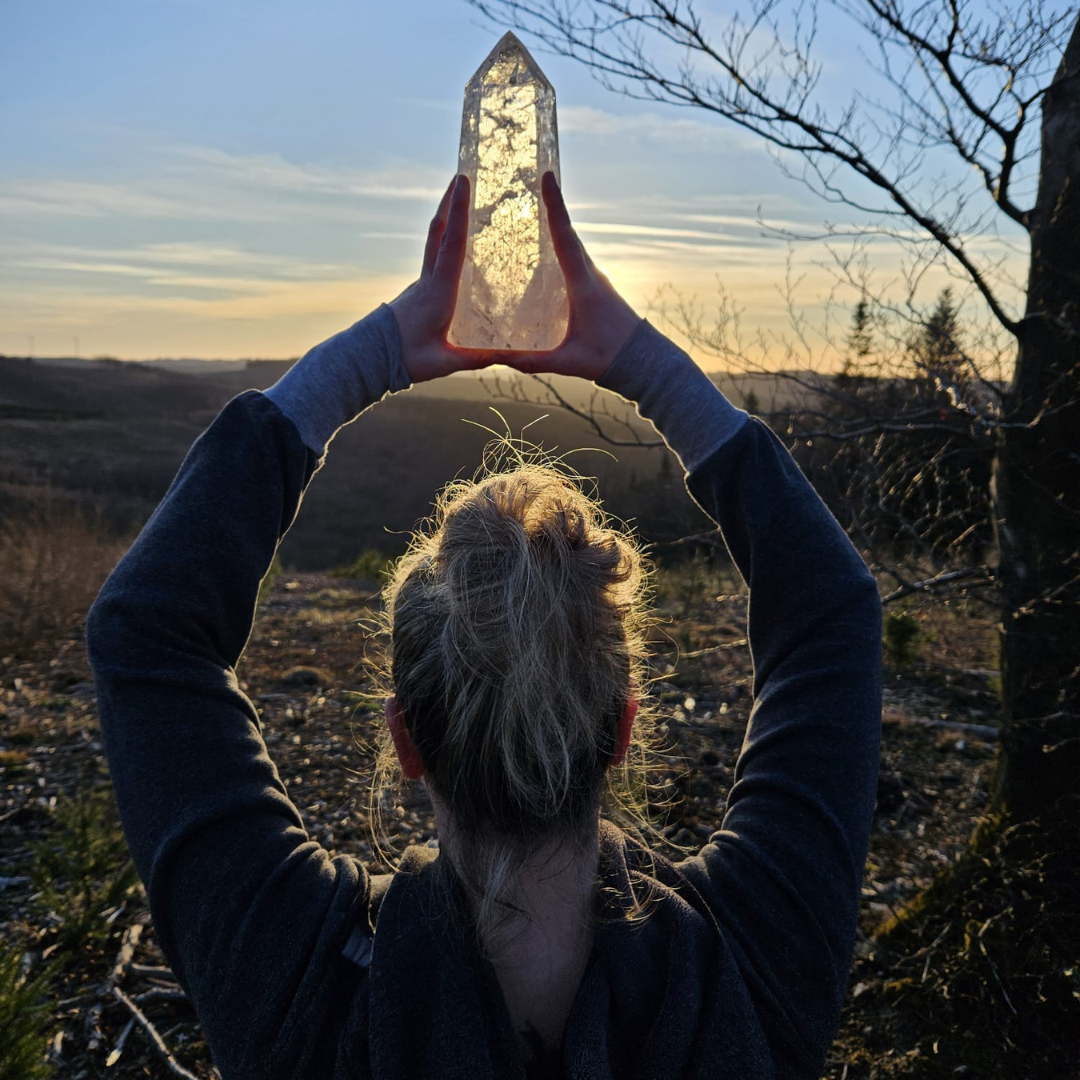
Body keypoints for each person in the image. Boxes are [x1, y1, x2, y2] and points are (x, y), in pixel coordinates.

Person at [87, 172, 882, 1080]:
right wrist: (637, 362)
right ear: (623, 731)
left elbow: (144, 632)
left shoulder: (299, 981)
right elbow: (832, 616)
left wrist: (378, 352)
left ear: (405, 742)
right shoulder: (744, 963)